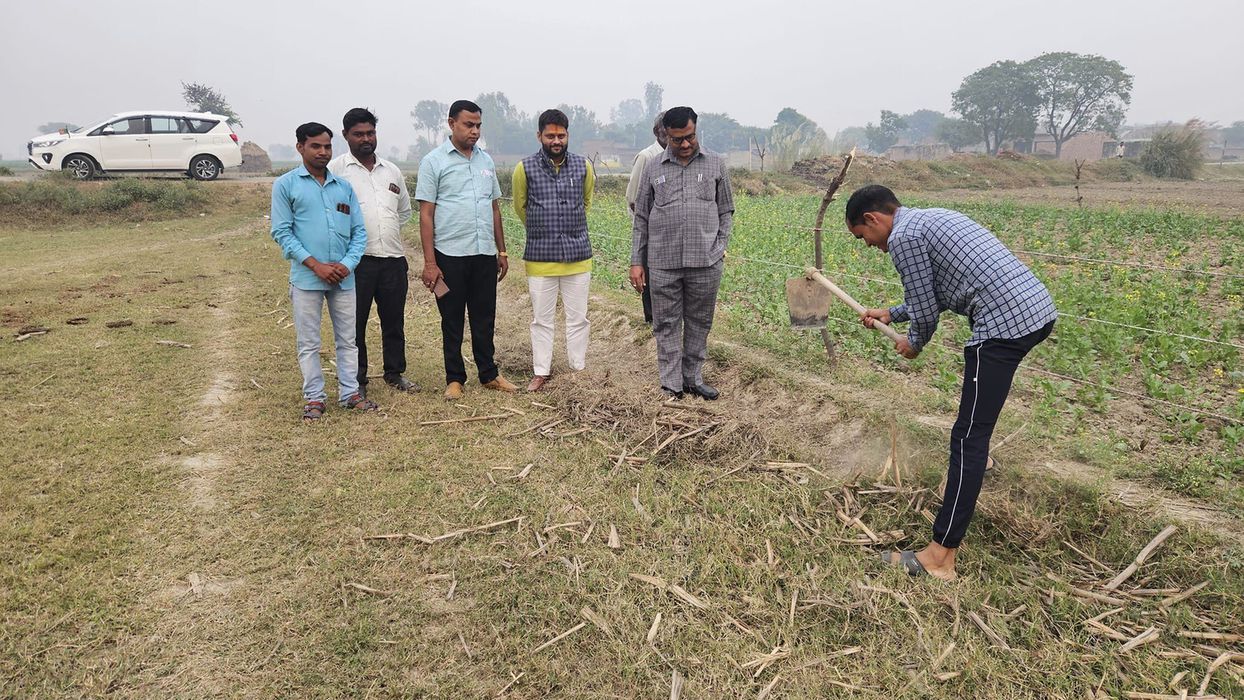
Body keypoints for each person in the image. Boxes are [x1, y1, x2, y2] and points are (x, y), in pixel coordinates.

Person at [846, 184, 1057, 581]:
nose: (870, 246)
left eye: (863, 237)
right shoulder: (930, 218)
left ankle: (940, 557)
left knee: (966, 437)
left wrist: (914, 344)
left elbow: (927, 312)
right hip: (1036, 313)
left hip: (1003, 328)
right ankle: (981, 465)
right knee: (977, 422)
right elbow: (939, 292)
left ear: (873, 219)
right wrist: (892, 313)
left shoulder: (903, 238)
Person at [270, 122, 378, 421]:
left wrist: (347, 264)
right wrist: (314, 264)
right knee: (309, 343)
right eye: (315, 146)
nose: (322, 152)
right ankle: (314, 398)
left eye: (327, 146)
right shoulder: (286, 185)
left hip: (344, 278)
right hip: (307, 279)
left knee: (348, 339)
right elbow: (281, 231)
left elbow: (359, 232)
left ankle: (350, 393)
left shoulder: (343, 187)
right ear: (300, 147)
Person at [415, 100, 518, 400]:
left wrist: (502, 251)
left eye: (478, 126)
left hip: (483, 253)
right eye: (468, 125)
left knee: (484, 316)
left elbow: (494, 208)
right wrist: (430, 263)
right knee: (452, 318)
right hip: (449, 254)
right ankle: (454, 378)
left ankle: (489, 374)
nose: (474, 131)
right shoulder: (433, 162)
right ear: (451, 123)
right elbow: (426, 214)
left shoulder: (485, 161)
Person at [629, 106, 734, 400]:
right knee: (666, 324)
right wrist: (637, 261)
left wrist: (719, 246)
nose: (685, 145)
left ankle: (692, 378)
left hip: (705, 262)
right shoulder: (652, 167)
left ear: (696, 130)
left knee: (700, 322)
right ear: (666, 136)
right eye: (677, 140)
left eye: (690, 137)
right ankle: (671, 385)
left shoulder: (716, 165)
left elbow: (726, 210)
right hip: (663, 264)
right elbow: (641, 219)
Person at [328, 108, 417, 397]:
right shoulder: (337, 171)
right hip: (355, 263)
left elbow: (403, 211)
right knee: (355, 324)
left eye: (370, 133)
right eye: (359, 134)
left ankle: (394, 373)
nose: (366, 139)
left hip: (392, 258)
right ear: (346, 136)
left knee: (394, 321)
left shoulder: (391, 170)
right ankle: (358, 381)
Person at [512, 109, 596, 392]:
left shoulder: (583, 166)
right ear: (540, 136)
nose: (556, 140)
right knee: (541, 320)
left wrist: (566, 228)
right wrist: (543, 228)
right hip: (540, 258)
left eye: (561, 135)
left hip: (577, 257)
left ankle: (577, 368)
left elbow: (585, 203)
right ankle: (541, 371)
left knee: (578, 318)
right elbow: (520, 207)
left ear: (568, 135)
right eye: (550, 135)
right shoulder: (524, 168)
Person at [626, 112, 668, 324]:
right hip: (650, 231)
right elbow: (633, 198)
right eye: (664, 132)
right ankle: (651, 320)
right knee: (650, 276)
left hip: (672, 233)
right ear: (656, 132)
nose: (669, 136)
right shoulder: (647, 157)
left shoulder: (678, 155)